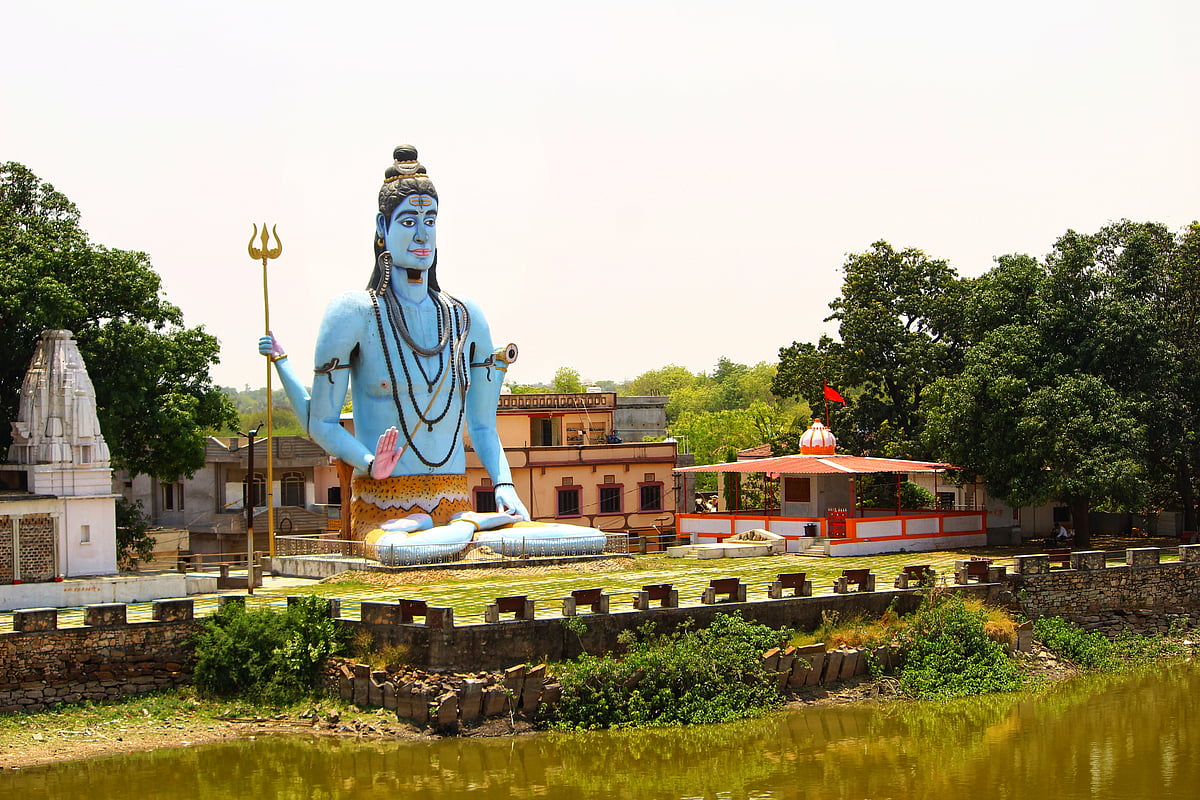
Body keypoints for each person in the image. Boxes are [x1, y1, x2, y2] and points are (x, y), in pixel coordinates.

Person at [260, 145, 604, 563]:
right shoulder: (354, 313)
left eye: (430, 221)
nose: (422, 235)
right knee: (405, 550)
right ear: (382, 227)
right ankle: (466, 531)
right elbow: (322, 422)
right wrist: (369, 462)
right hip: (384, 511)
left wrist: (504, 484)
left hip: (454, 501)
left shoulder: (465, 316)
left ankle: (466, 528)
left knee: (585, 539)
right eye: (408, 221)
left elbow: (481, 424)